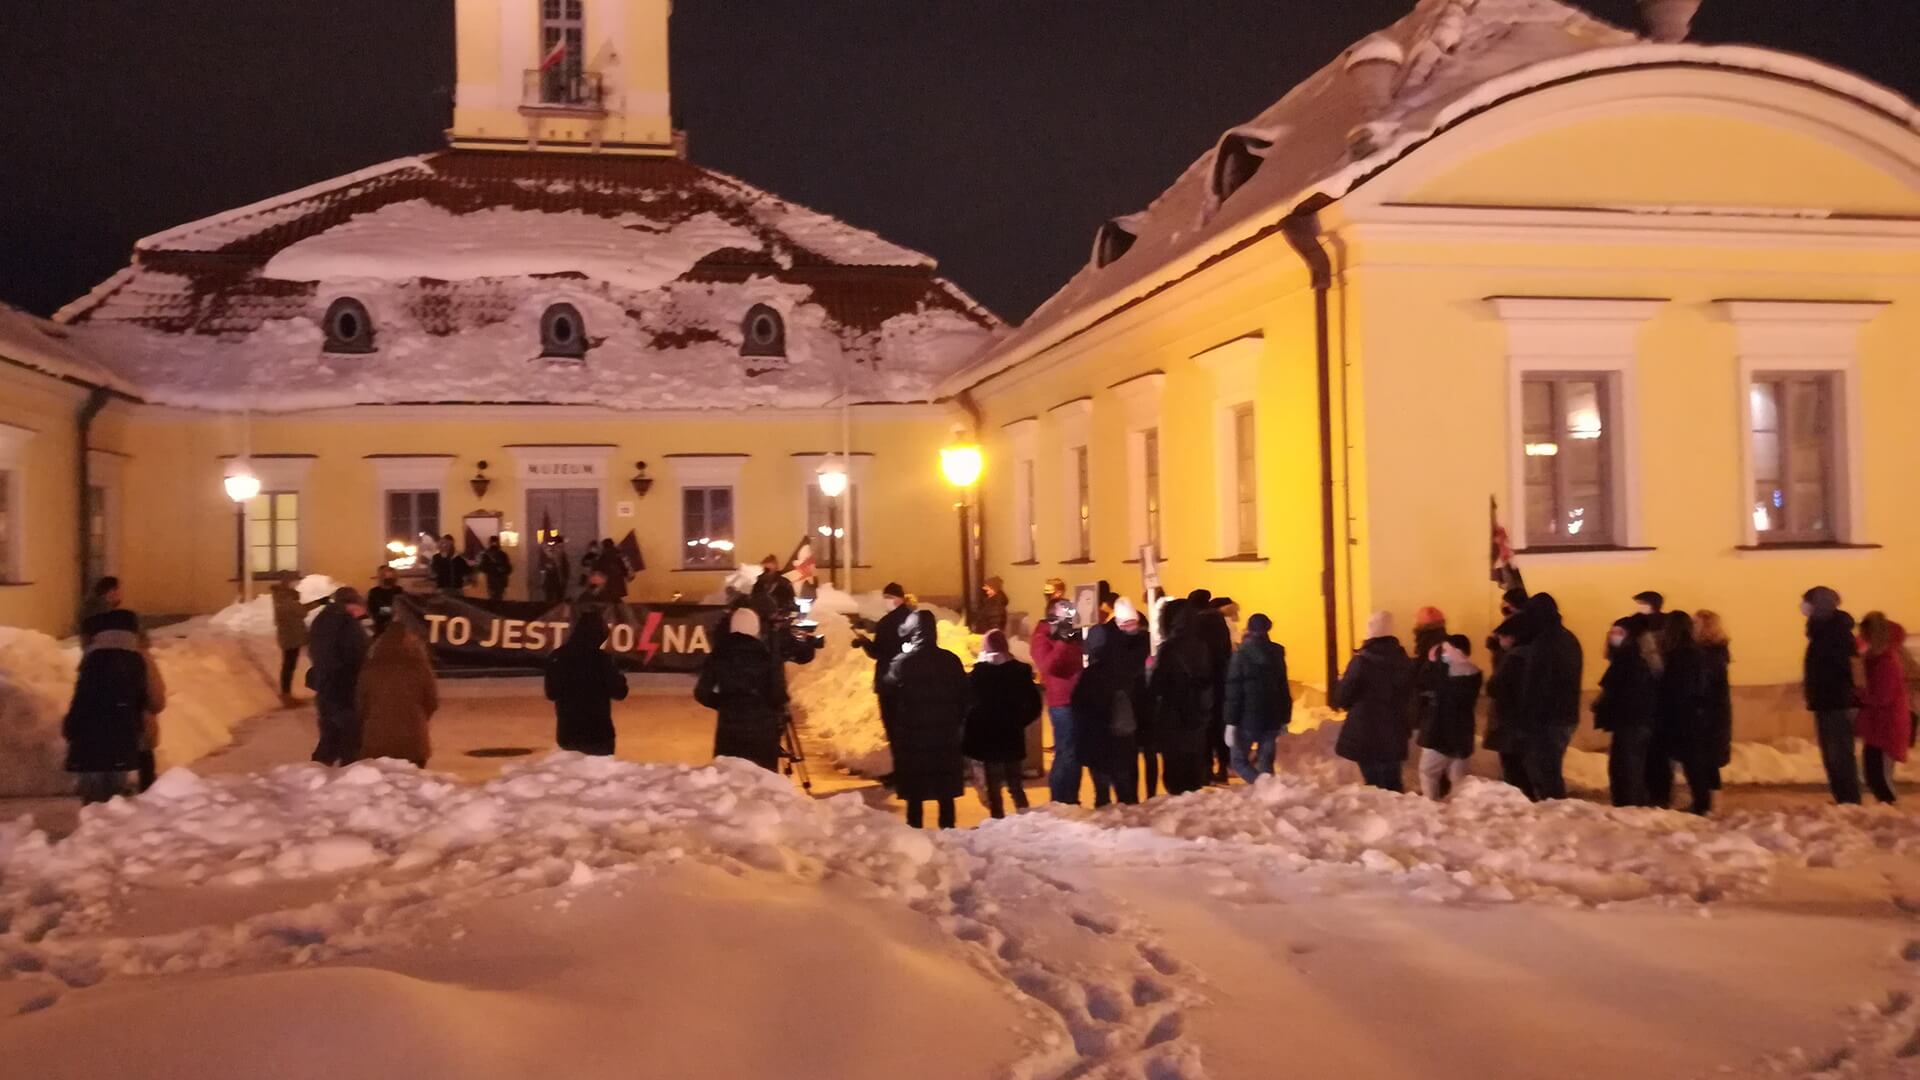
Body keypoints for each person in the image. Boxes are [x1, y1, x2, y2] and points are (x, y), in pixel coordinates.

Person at [886, 610, 972, 829]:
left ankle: (915, 830)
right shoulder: (950, 661)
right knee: (945, 790)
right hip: (945, 734)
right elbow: (965, 696)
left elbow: (889, 696)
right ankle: (948, 830)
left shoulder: (903, 663)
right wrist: (955, 721)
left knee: (915, 790)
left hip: (913, 736)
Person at [62, 607, 150, 804]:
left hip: (92, 746)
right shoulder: (135, 660)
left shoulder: (96, 659)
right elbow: (141, 701)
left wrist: (70, 726)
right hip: (123, 744)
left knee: (95, 804)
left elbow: (84, 700)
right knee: (116, 805)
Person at [1074, 598, 1149, 806]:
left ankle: (1109, 809)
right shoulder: (1124, 668)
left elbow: (1079, 705)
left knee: (1103, 788)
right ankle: (1126, 810)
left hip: (1100, 735)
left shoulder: (1092, 675)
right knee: (1123, 784)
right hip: (1119, 734)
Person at [695, 607, 789, 772]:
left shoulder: (719, 654)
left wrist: (726, 703)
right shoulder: (766, 656)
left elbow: (701, 693)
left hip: (729, 729)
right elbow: (777, 695)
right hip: (762, 730)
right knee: (762, 778)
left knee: (730, 777)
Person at [1331, 612, 1415, 792]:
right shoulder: (1404, 661)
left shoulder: (1361, 661)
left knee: (1373, 783)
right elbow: (1410, 693)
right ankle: (1397, 805)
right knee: (1393, 781)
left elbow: (1343, 697)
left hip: (1365, 729)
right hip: (1395, 728)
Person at [1510, 593, 1582, 800]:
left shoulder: (1546, 642)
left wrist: (1526, 718)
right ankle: (1552, 807)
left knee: (1545, 771)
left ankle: (1553, 810)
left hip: (1547, 718)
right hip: (1563, 715)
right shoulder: (1567, 638)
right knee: (1548, 769)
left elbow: (1537, 684)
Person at [964, 629, 1041, 818]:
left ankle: (997, 818)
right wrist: (1020, 721)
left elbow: (968, 705)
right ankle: (1024, 816)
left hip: (988, 736)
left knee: (993, 784)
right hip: (1012, 733)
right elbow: (1034, 704)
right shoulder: (1020, 672)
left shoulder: (979, 675)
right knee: (1015, 783)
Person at [1150, 598, 1216, 795]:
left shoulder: (1169, 649)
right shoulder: (1202, 646)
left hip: (1174, 714)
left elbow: (1157, 684)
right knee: (1193, 760)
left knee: (1175, 766)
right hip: (1197, 712)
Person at [1802, 586, 1862, 805]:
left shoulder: (1837, 633)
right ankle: (1842, 798)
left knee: (1839, 753)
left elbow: (1847, 668)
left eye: (1807, 601)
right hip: (1824, 700)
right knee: (1830, 753)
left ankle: (1849, 800)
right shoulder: (1820, 630)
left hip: (1837, 701)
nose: (1804, 607)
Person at [1592, 615, 1659, 808]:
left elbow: (1623, 691)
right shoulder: (1629, 658)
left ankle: (1630, 807)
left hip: (1632, 722)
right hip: (1631, 722)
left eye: (1619, 632)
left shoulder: (1631, 660)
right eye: (1612, 631)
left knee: (1626, 769)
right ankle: (1630, 805)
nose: (1613, 636)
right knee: (1626, 768)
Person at [545, 609, 630, 756]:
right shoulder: (602, 660)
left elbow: (551, 693)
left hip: (568, 733)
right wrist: (620, 678)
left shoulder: (558, 656)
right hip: (599, 735)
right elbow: (620, 693)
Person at [1648, 611, 1709, 812]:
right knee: (1693, 762)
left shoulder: (1677, 655)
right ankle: (1701, 802)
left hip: (1677, 714)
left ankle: (1665, 799)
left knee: (1668, 759)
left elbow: (1675, 687)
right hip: (1692, 713)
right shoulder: (1696, 653)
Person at [355, 623, 438, 768]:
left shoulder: (371, 667)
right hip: (413, 740)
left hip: (377, 740)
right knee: (413, 778)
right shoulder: (419, 667)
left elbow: (361, 703)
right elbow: (431, 701)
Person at [1031, 597, 1087, 804]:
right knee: (1066, 751)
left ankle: (1072, 799)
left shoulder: (1071, 635)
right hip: (1061, 702)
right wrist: (1063, 641)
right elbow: (1048, 666)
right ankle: (1060, 800)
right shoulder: (1042, 636)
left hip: (1078, 698)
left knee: (1076, 752)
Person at [1224, 612, 1291, 783]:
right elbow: (1282, 686)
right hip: (1272, 715)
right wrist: (1285, 717)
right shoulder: (1276, 653)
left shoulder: (1240, 655)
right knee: (1266, 762)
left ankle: (1262, 785)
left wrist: (1231, 722)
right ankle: (1268, 788)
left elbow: (1234, 690)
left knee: (1238, 760)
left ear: (1248, 628)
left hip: (1247, 716)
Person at [307, 587, 370, 765]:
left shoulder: (322, 619)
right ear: (352, 605)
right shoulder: (347, 623)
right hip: (344, 687)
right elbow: (358, 654)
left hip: (326, 685)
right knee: (350, 739)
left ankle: (316, 772)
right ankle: (348, 774)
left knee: (330, 735)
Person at [1417, 635, 1483, 800]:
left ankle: (1432, 805)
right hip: (1462, 733)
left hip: (1440, 733)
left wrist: (1432, 663)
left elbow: (1428, 684)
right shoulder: (1474, 672)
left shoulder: (1448, 674)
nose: (1443, 654)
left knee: (1428, 772)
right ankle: (1458, 808)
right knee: (1458, 776)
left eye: (1446, 650)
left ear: (1458, 651)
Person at [1856, 612, 1912, 805]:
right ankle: (1886, 810)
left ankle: (1890, 811)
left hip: (1886, 727)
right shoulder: (1876, 660)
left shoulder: (1886, 662)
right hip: (1878, 726)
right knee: (1873, 774)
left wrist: (1859, 695)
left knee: (1879, 777)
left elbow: (1882, 697)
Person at [1482, 588, 1533, 797]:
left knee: (1514, 763)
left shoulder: (1516, 656)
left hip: (1511, 715)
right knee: (1514, 761)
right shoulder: (1518, 650)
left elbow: (1497, 685)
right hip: (1512, 715)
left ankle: (1520, 796)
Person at [853, 582, 913, 745]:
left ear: (900, 599)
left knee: (892, 723)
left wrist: (864, 642)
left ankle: (899, 756)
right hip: (909, 680)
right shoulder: (914, 619)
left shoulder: (886, 623)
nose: (886, 600)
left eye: (890, 597)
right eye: (885, 597)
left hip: (888, 680)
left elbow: (877, 652)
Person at [1187, 588, 1234, 783]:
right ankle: (1223, 766)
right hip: (1220, 679)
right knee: (1219, 725)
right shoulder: (1219, 621)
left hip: (1203, 681)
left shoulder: (1195, 623)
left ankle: (1206, 769)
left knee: (1205, 728)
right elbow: (1227, 650)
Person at [1695, 610, 1735, 804]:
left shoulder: (1709, 654)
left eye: (1696, 623)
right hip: (1711, 711)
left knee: (1707, 759)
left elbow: (1705, 684)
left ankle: (1709, 802)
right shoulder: (1716, 651)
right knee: (1706, 759)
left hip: (1709, 712)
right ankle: (1708, 800)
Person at [271, 571, 326, 706]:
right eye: (294, 580)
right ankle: (286, 694)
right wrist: (317, 603)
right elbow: (300, 611)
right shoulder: (284, 597)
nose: (297, 583)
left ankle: (287, 693)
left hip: (293, 634)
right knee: (290, 664)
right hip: (291, 635)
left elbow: (299, 610)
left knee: (290, 664)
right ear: (287, 582)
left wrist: (317, 603)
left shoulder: (284, 596)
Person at [136, 631, 167, 793]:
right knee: (146, 784)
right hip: (140, 730)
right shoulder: (142, 658)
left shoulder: (94, 656)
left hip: (106, 735)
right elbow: (156, 698)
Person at [367, 566, 405, 634]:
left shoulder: (398, 590)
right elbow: (373, 610)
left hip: (398, 623)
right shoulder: (374, 592)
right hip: (381, 623)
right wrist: (391, 610)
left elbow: (403, 607)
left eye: (391, 577)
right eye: (386, 577)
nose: (389, 579)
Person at [479, 537, 513, 602]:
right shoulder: (489, 555)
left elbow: (508, 569)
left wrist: (501, 569)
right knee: (496, 599)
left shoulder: (501, 555)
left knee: (496, 599)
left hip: (497, 582)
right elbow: (482, 567)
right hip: (495, 581)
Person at [539, 537, 571, 604]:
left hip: (560, 581)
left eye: (561, 546)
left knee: (559, 598)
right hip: (550, 581)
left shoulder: (563, 556)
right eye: (558, 546)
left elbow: (566, 568)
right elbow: (543, 569)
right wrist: (542, 580)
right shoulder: (548, 556)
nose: (559, 548)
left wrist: (565, 578)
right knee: (549, 598)